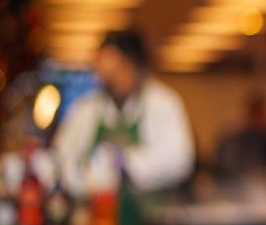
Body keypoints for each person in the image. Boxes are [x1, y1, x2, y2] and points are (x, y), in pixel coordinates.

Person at [54, 30, 195, 209]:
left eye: (118, 70)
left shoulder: (162, 103)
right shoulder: (86, 109)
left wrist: (125, 163)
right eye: (106, 74)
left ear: (135, 65)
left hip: (152, 217)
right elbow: (61, 158)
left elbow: (180, 161)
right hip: (99, 216)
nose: (112, 80)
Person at [213, 93, 266, 183]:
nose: (263, 120)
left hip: (258, 187)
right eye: (259, 115)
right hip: (237, 186)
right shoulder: (236, 140)